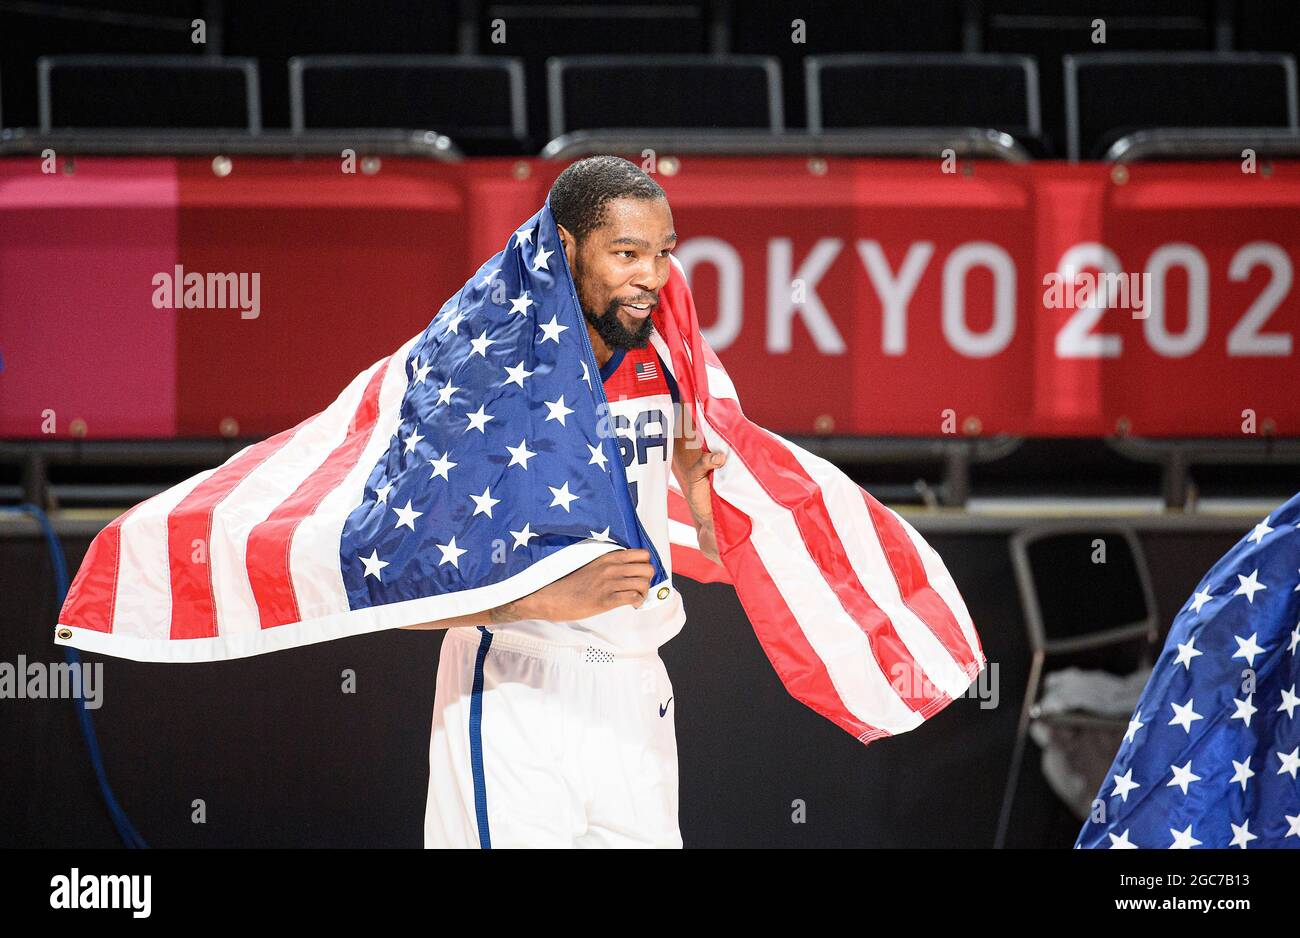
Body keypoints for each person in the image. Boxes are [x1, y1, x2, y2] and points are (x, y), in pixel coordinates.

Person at [401, 156, 726, 848]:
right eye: (627, 253)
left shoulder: (666, 350)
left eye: (663, 254)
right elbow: (391, 582)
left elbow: (711, 526)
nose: (653, 277)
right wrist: (535, 601)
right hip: (518, 683)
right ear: (567, 247)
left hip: (638, 692)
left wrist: (702, 509)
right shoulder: (484, 371)